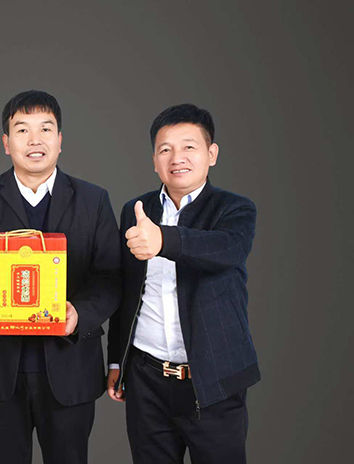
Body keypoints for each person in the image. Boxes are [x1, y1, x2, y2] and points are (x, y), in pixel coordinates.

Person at [0, 90, 121, 464]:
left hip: (71, 366)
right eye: (22, 130)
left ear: (60, 140)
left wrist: (80, 313)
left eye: (45, 129)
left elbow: (110, 277)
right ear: (6, 143)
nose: (35, 140)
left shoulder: (93, 200)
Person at [107, 103, 260, 463]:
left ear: (211, 154)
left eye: (189, 146)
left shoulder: (235, 209)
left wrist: (163, 240)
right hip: (146, 380)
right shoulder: (136, 209)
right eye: (165, 149)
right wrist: (116, 361)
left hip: (214, 381)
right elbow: (125, 289)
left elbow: (227, 249)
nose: (177, 158)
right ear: (154, 160)